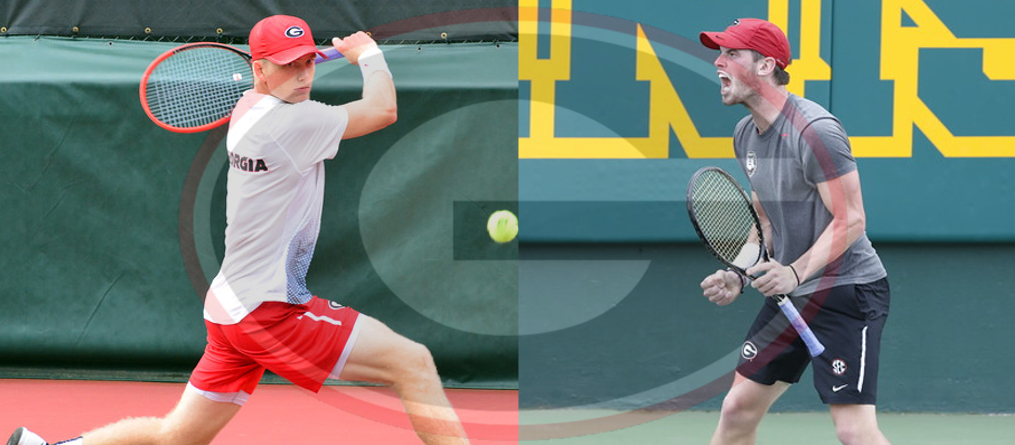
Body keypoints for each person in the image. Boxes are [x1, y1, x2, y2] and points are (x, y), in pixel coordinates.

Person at [9, 15, 469, 445]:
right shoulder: (292, 123)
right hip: (269, 312)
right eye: (290, 66)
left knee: (177, 437)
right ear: (260, 69)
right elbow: (382, 109)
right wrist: (368, 55)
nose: (304, 75)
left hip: (230, 309)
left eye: (308, 61)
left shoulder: (251, 106)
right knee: (413, 364)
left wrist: (301, 65)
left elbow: (297, 87)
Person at [696, 18, 892, 445]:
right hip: (791, 296)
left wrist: (796, 273)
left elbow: (852, 219)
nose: (718, 62)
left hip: (847, 292)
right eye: (720, 52)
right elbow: (764, 221)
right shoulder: (745, 133)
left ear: (766, 66)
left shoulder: (815, 131)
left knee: (853, 431)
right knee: (736, 411)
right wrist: (740, 274)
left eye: (731, 54)